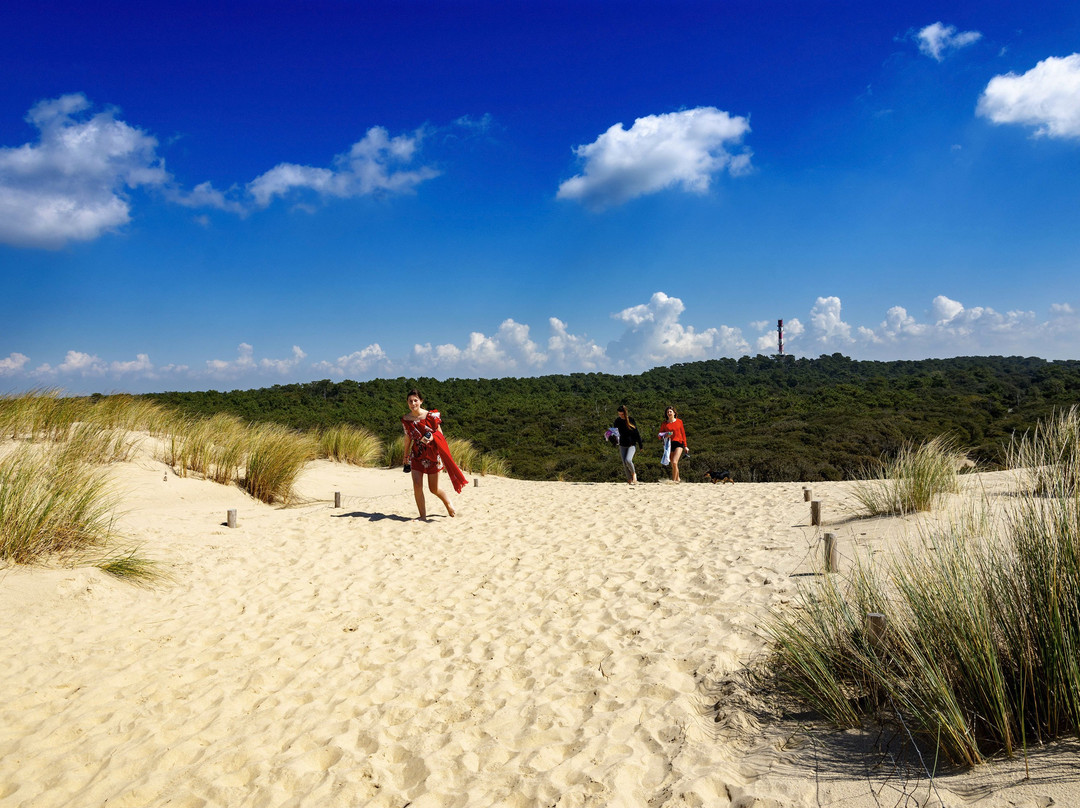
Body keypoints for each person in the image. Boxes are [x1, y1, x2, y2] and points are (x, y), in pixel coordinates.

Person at [401, 388, 467, 520]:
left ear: (421, 401)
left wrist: (432, 436)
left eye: (415, 400)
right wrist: (405, 455)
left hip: (432, 455)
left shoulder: (431, 416)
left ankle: (448, 503)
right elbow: (408, 437)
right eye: (410, 401)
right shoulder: (406, 419)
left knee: (433, 488)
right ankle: (422, 516)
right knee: (417, 485)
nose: (413, 403)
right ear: (407, 403)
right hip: (417, 454)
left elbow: (440, 434)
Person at [613, 404, 643, 485]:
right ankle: (629, 479)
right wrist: (610, 436)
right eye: (619, 414)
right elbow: (615, 432)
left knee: (628, 460)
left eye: (622, 414)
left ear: (625, 413)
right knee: (624, 462)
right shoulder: (617, 421)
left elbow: (637, 433)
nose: (620, 416)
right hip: (622, 444)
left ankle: (634, 474)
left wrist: (640, 445)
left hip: (631, 444)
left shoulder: (631, 420)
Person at [659, 405, 689, 483]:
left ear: (674, 413)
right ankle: (678, 479)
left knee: (675, 462)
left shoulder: (679, 421)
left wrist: (685, 446)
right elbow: (659, 435)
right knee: (673, 464)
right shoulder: (664, 424)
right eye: (667, 412)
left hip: (679, 443)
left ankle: (674, 481)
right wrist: (666, 435)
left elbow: (683, 434)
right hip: (669, 444)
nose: (669, 413)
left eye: (670, 412)